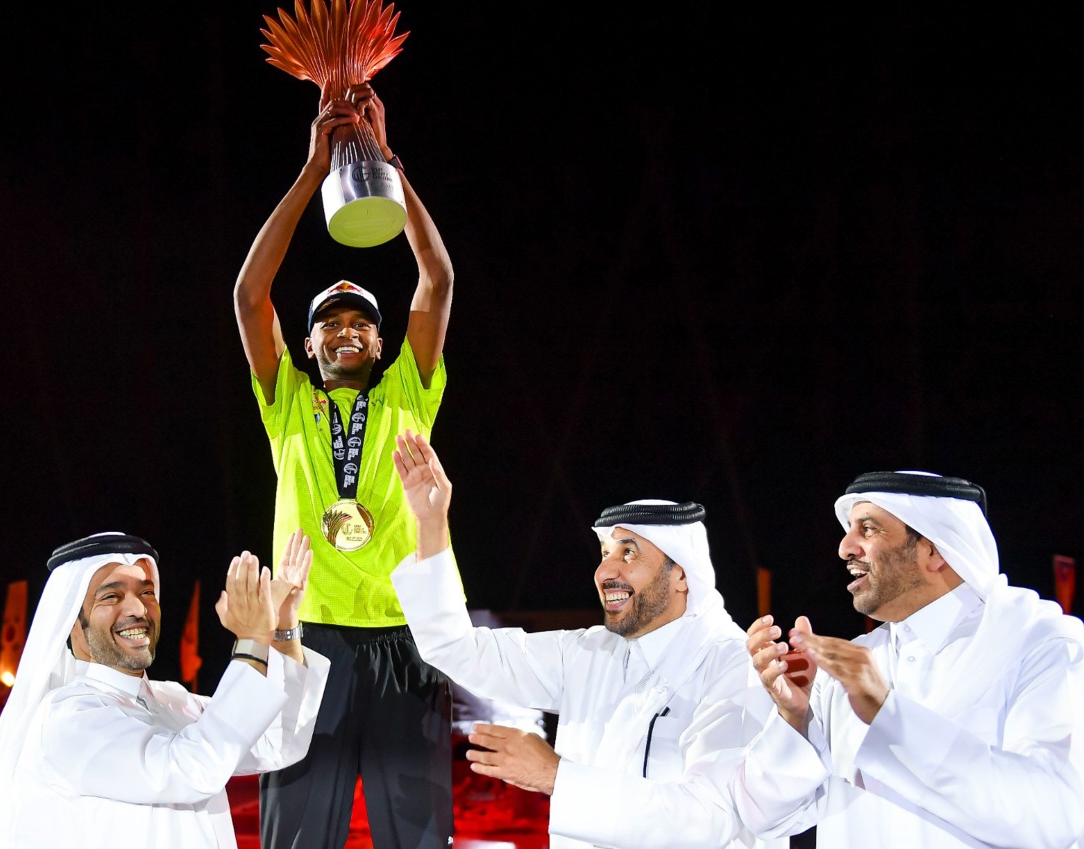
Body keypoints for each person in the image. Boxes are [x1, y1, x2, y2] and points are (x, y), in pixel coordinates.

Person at [234, 81, 455, 849]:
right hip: (308, 637)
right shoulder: (286, 403)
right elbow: (249, 292)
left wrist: (388, 163)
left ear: (383, 342)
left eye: (362, 319)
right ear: (308, 347)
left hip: (406, 637)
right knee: (297, 837)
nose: (348, 328)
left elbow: (437, 276)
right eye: (330, 322)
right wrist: (310, 173)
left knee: (418, 837)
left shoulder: (408, 392)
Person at [389, 431, 786, 849]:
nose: (604, 572)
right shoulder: (588, 653)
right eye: (605, 555)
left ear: (682, 574)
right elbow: (456, 648)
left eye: (628, 553)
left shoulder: (732, 665)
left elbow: (708, 819)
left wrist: (555, 776)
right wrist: (431, 524)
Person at [736, 470, 1084, 849]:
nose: (845, 547)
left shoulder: (1040, 644)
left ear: (934, 550)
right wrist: (795, 719)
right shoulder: (854, 664)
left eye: (868, 529)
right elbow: (764, 818)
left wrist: (888, 715)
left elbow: (1053, 816)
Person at [0, 530, 329, 849]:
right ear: (72, 623)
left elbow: (277, 743)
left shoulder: (171, 700)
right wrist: (252, 639)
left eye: (147, 592)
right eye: (111, 596)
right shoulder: (67, 719)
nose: (137, 608)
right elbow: (193, 768)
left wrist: (282, 627)